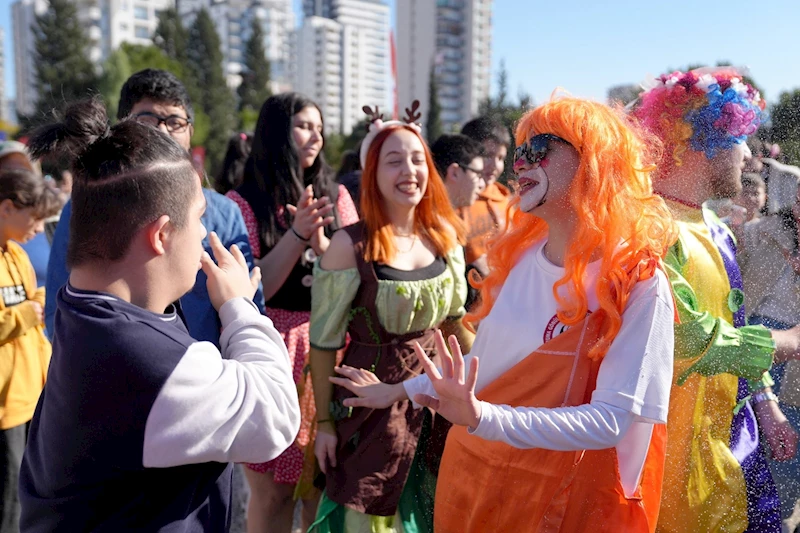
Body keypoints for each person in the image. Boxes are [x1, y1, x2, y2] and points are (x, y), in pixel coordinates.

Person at [332, 96, 678, 532]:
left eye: (540, 149)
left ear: (593, 161)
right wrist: (395, 391)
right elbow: (484, 369)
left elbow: (610, 422)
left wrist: (481, 417)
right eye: (520, 151)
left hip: (565, 507)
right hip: (475, 484)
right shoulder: (522, 256)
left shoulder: (638, 281)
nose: (521, 164)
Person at [19, 97, 300, 532]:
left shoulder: (85, 308)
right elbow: (277, 417)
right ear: (162, 234)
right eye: (199, 219)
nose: (207, 236)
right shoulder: (139, 358)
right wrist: (238, 307)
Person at [634, 67, 800, 533]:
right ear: (701, 142)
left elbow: (735, 320)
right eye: (738, 138)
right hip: (668, 470)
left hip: (729, 450)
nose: (749, 154)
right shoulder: (650, 229)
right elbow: (685, 337)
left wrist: (765, 405)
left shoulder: (717, 230)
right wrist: (786, 341)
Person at [307, 110, 472, 532]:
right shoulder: (348, 245)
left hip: (436, 403)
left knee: (434, 509)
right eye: (394, 160)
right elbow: (324, 343)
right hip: (367, 406)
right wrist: (324, 425)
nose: (409, 170)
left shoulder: (446, 238)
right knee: (366, 515)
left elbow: (454, 324)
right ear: (372, 172)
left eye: (417, 159)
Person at [45, 68, 263, 345]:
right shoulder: (88, 202)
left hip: (208, 376)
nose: (162, 131)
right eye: (147, 119)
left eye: (174, 121)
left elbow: (249, 299)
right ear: (122, 129)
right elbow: (60, 306)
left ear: (190, 132)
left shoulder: (226, 213)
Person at [226, 93, 359, 533]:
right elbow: (253, 283)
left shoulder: (336, 195)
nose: (315, 135)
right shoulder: (242, 202)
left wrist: (325, 250)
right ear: (276, 132)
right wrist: (298, 234)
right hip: (273, 347)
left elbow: (357, 272)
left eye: (319, 127)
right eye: (304, 125)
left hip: (329, 347)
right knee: (273, 492)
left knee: (322, 484)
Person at [737, 181, 800, 528]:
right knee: (745, 452)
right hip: (753, 345)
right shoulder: (761, 231)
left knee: (783, 471)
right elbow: (732, 281)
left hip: (795, 375)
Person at [0, 169, 57, 533]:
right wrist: (24, 313)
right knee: (6, 502)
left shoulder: (18, 254)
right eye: (33, 218)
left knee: (23, 496)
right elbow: (19, 313)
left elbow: (30, 302)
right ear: (6, 208)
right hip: (5, 405)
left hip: (29, 395)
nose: (38, 228)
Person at [459, 117, 512, 272]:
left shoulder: (506, 199)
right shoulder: (456, 200)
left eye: (501, 158)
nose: (495, 165)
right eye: (488, 155)